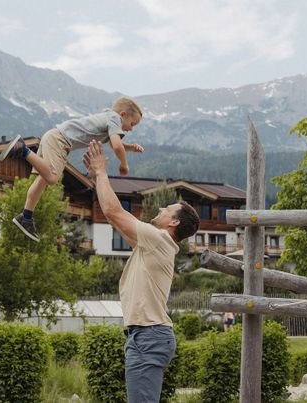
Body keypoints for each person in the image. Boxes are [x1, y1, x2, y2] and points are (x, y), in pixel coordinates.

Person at [82, 139, 199, 403]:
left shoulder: (159, 240)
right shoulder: (153, 245)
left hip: (148, 336)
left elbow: (113, 212)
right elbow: (117, 221)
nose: (160, 208)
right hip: (145, 335)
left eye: (166, 209)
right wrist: (96, 178)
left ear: (174, 222)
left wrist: (102, 172)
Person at [0, 96, 146, 241]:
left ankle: (26, 216)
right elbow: (116, 146)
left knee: (42, 180)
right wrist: (123, 164)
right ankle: (22, 149)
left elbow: (115, 143)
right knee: (52, 177)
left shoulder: (109, 117)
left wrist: (129, 148)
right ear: (123, 115)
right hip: (60, 141)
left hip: (54, 136)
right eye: (132, 124)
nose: (131, 129)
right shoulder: (115, 119)